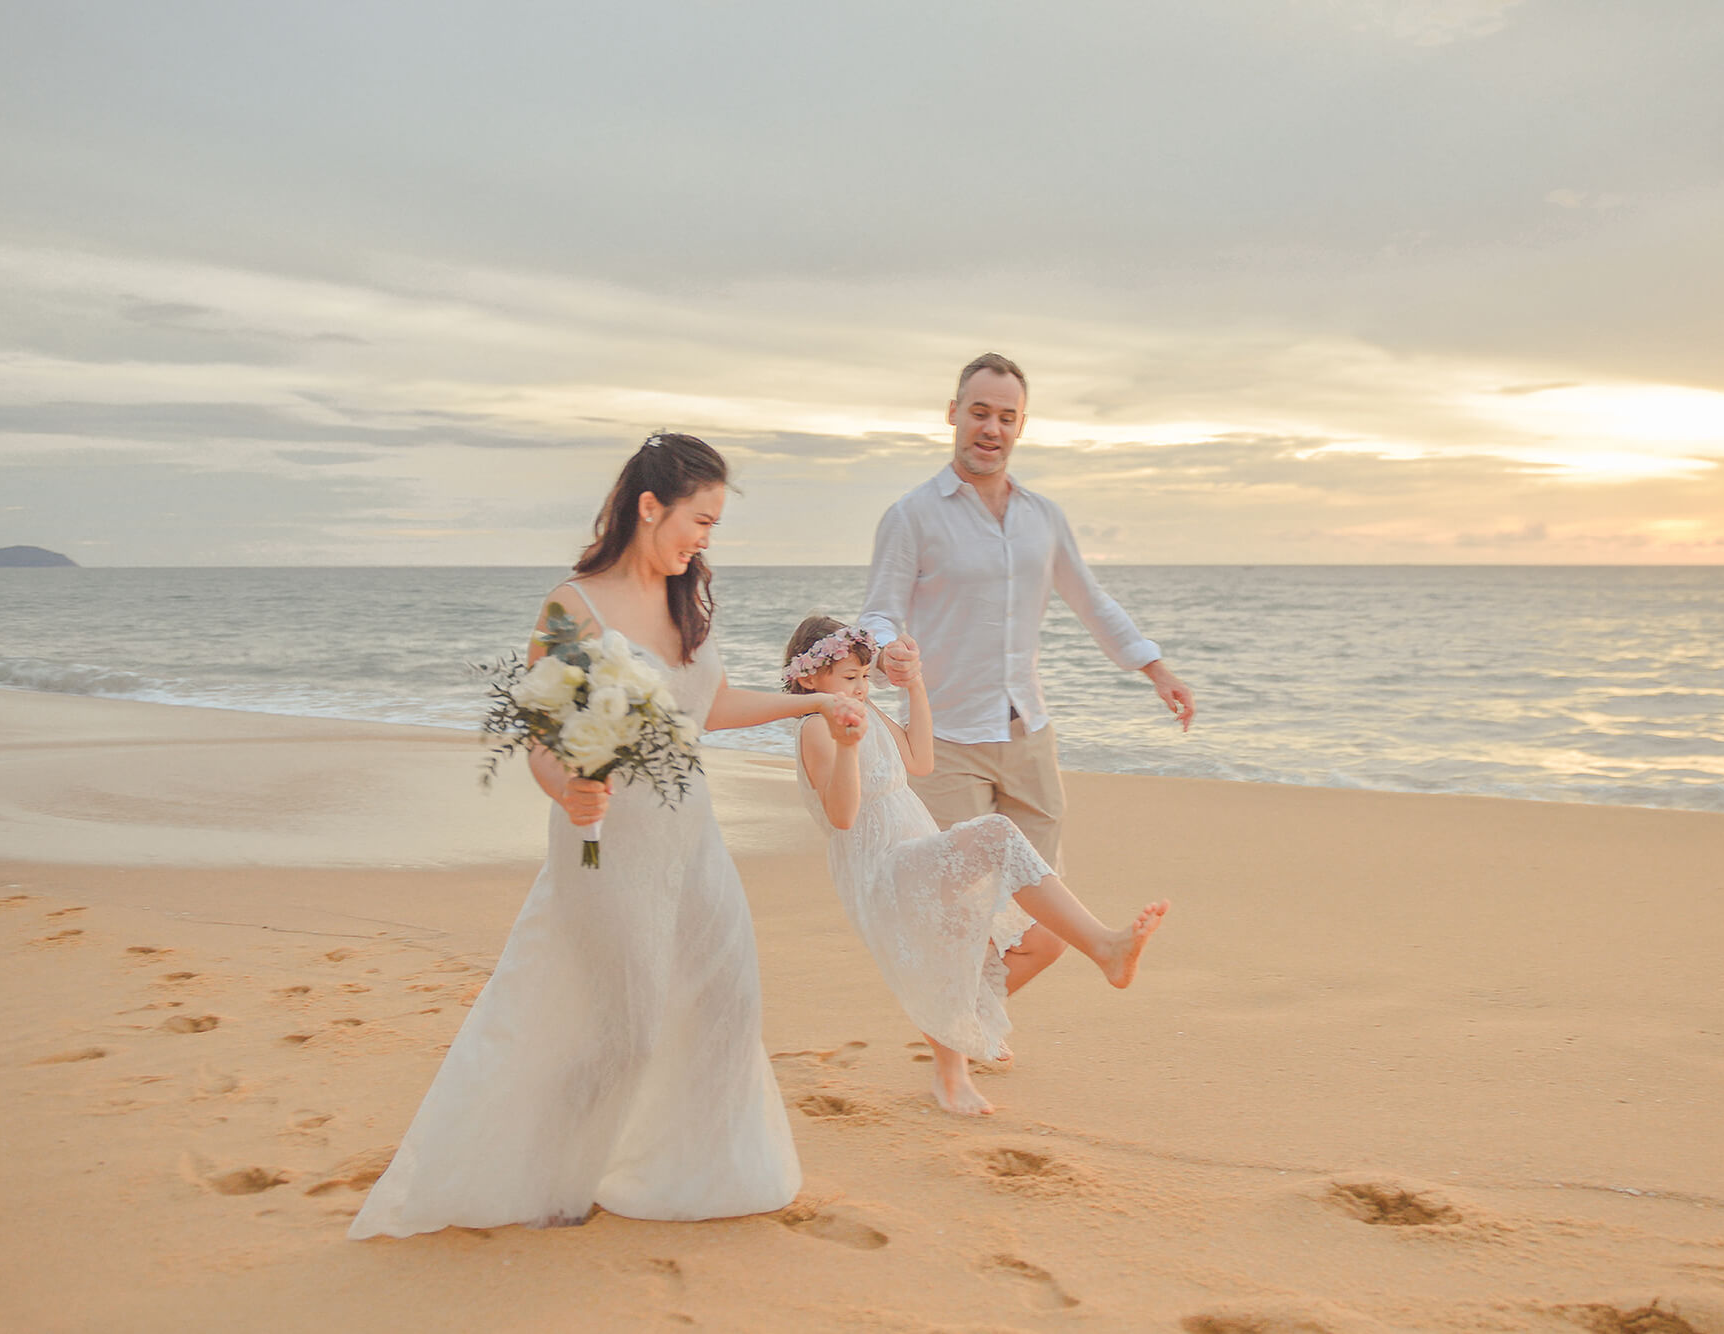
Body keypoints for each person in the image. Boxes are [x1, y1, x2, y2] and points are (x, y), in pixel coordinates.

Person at [350, 433, 863, 1239]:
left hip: (691, 838)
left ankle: (696, 1174)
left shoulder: (683, 600)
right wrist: (569, 790)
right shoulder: (572, 607)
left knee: (728, 998)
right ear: (649, 506)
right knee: (623, 1030)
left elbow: (712, 702)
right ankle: (556, 1181)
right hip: (607, 843)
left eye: (716, 525)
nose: (705, 539)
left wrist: (815, 705)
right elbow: (544, 739)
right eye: (700, 519)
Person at [859, 352, 1195, 995]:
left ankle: (969, 1016)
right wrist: (886, 654)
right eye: (979, 412)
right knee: (954, 912)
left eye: (1006, 417)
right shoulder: (912, 515)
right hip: (947, 743)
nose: (991, 428)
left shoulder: (1044, 518)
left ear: (1022, 426)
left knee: (1045, 929)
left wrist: (1156, 668)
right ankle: (949, 1062)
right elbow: (880, 611)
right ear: (953, 414)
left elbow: (1092, 601)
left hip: (1028, 737)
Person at [784, 614, 1169, 1116]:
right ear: (809, 679)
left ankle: (969, 1027)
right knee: (994, 838)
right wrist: (846, 744)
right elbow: (843, 815)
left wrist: (915, 685)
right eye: (847, 679)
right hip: (879, 869)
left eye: (863, 678)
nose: (858, 689)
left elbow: (921, 761)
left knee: (1043, 943)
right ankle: (1097, 951)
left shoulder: (868, 712)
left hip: (917, 849)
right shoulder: (817, 727)